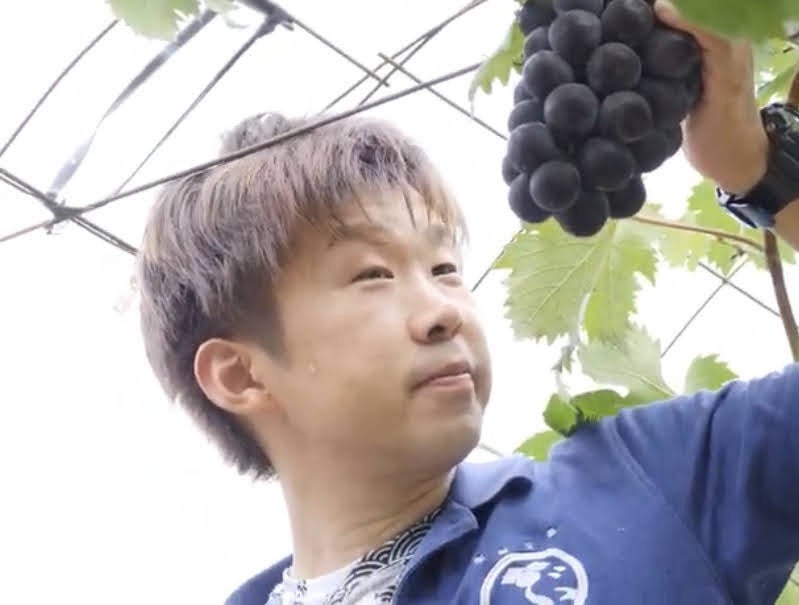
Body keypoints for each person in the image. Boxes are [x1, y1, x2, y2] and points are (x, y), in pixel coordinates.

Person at [135, 1, 799, 603]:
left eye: (445, 268)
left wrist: (757, 168)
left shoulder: (650, 478)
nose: (443, 310)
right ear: (239, 374)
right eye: (372, 275)